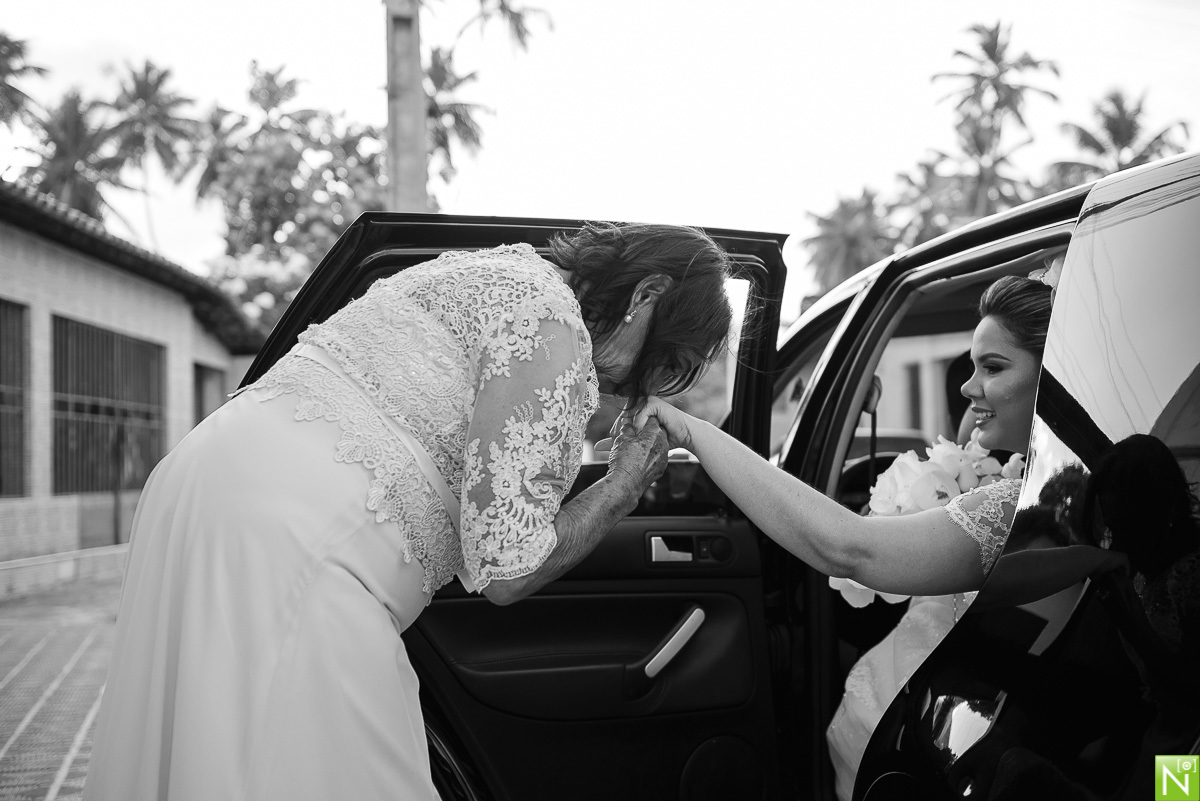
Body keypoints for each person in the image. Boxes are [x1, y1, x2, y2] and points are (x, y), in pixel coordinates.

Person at [82, 222, 735, 801]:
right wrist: (620, 488)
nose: (650, 384)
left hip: (210, 484)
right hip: (294, 545)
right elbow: (507, 570)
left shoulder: (504, 273)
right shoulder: (553, 325)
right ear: (646, 294)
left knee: (212, 756)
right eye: (670, 360)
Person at [627, 275, 1125, 801]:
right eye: (973, 366)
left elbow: (850, 547)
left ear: (1051, 377)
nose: (967, 385)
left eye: (993, 367)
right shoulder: (1031, 487)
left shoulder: (1008, 507)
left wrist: (691, 432)